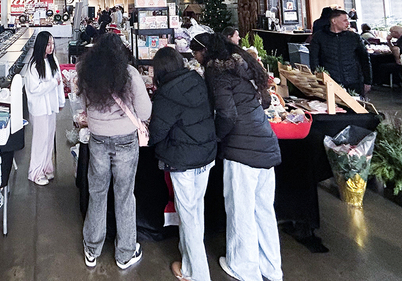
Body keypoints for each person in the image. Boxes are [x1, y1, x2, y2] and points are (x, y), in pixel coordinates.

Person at [192, 32, 283, 281]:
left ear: (204, 51)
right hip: (264, 141)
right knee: (264, 210)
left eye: (195, 53)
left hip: (241, 148)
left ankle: (243, 267)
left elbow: (227, 113)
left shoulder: (216, 70)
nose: (195, 59)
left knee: (240, 210)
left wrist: (217, 137)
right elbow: (262, 103)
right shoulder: (242, 63)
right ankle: (272, 268)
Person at [78, 33, 151, 270]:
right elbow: (145, 111)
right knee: (125, 195)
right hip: (126, 142)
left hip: (98, 139)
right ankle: (125, 253)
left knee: (97, 193)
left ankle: (92, 249)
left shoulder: (87, 72)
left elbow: (82, 106)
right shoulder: (130, 74)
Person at [148, 47, 217, 281]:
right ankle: (187, 263)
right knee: (197, 211)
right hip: (206, 155)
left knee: (187, 219)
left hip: (182, 161)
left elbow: (157, 131)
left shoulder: (166, 93)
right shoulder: (197, 79)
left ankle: (198, 274)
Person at [23, 31, 65, 185]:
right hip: (40, 109)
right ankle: (35, 172)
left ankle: (46, 167)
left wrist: (60, 102)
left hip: (51, 107)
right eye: (48, 44)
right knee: (40, 141)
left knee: (49, 138)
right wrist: (53, 83)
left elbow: (59, 83)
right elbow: (35, 89)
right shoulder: (34, 65)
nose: (51, 47)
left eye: (52, 44)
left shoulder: (53, 61)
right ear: (41, 45)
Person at [309, 9, 372, 96]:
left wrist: (367, 81)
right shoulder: (319, 37)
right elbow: (314, 59)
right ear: (334, 21)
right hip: (331, 81)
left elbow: (364, 59)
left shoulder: (354, 37)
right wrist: (318, 78)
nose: (348, 23)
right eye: (345, 20)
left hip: (354, 81)